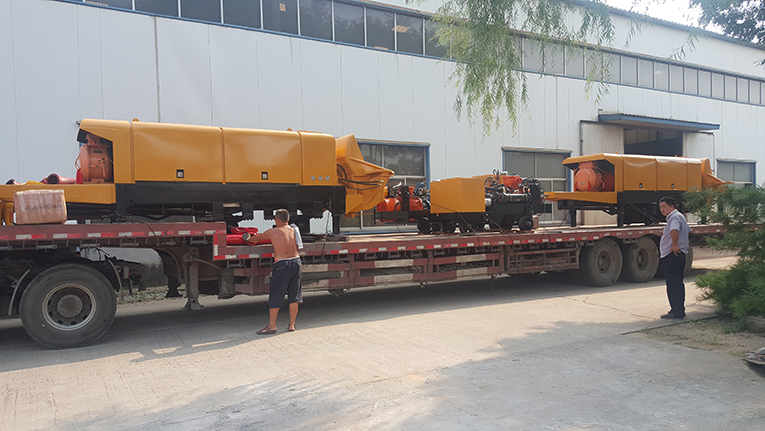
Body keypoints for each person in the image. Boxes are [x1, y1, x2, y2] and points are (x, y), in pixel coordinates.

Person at [244, 209, 303, 334]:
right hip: (296, 262)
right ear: (288, 219)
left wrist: (248, 238)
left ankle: (272, 326)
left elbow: (256, 239)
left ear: (277, 220)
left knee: (276, 294)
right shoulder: (294, 230)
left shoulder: (273, 231)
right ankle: (292, 325)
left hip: (282, 264)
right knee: (294, 295)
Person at [658, 196, 690, 319]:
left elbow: (675, 230)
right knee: (677, 283)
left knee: (673, 284)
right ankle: (678, 310)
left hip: (673, 255)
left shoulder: (674, 217)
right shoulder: (679, 216)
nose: (662, 209)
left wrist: (675, 244)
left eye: (664, 206)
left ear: (672, 206)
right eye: (660, 207)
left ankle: (676, 312)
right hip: (677, 254)